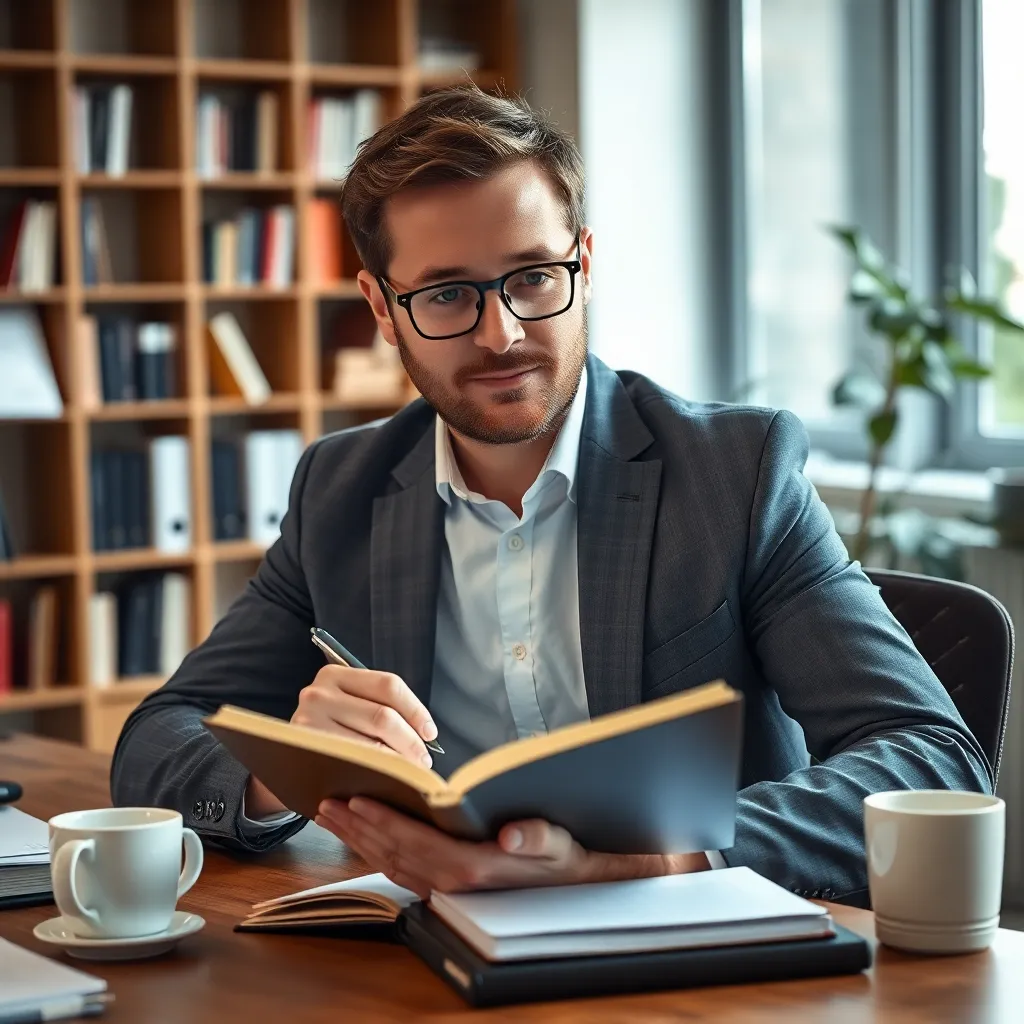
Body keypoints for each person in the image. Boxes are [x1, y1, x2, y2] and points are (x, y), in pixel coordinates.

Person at [111, 84, 990, 904]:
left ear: (585, 263)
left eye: (534, 277)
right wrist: (288, 773)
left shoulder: (735, 472)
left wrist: (655, 856)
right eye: (449, 294)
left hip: (684, 953)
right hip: (422, 945)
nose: (504, 334)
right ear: (381, 309)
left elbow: (932, 760)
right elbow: (157, 738)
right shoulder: (340, 490)